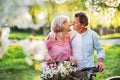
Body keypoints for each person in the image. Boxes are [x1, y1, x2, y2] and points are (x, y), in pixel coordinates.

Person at [70, 11, 105, 79]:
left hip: (85, 71)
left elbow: (100, 50)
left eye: (75, 22)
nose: (72, 24)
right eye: (73, 21)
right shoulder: (71, 34)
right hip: (71, 70)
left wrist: (100, 62)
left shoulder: (92, 35)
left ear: (83, 25)